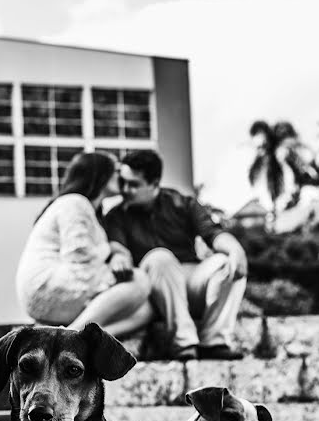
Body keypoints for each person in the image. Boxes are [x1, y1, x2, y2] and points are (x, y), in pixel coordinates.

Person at [103, 149, 246, 361]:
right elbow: (118, 248)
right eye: (123, 182)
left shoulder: (183, 203)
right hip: (154, 290)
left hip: (191, 281)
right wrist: (119, 258)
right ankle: (184, 342)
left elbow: (213, 234)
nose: (125, 190)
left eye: (134, 184)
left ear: (154, 183)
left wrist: (235, 250)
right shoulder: (117, 215)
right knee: (159, 257)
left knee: (226, 262)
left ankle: (214, 341)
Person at [15, 151, 152, 336]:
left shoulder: (92, 212)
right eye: (115, 171)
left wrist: (117, 254)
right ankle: (71, 335)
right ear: (100, 175)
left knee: (145, 309)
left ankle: (84, 338)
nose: (120, 177)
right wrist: (113, 251)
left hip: (65, 286)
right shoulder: (75, 202)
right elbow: (80, 257)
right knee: (139, 280)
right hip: (48, 286)